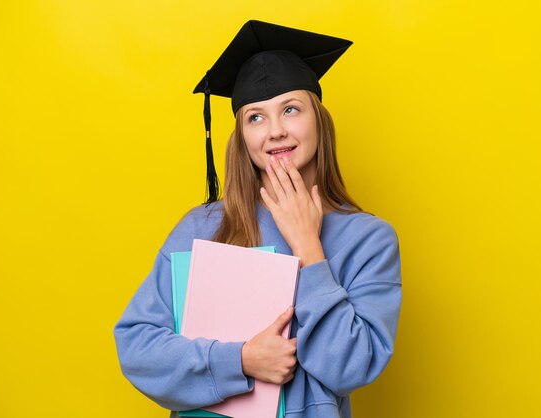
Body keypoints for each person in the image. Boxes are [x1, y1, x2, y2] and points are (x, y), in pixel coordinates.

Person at [114, 20, 402, 418]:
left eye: (290, 109)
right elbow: (138, 348)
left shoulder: (368, 239)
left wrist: (309, 247)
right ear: (242, 137)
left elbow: (351, 367)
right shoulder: (200, 228)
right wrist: (242, 361)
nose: (276, 131)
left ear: (319, 119)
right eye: (256, 117)